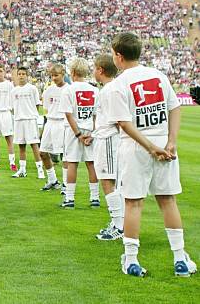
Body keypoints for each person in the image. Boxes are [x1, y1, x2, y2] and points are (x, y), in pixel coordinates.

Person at [108, 32, 196, 277]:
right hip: (162, 144)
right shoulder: (158, 75)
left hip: (136, 147)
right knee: (168, 200)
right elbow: (174, 107)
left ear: (118, 56)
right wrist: (171, 142)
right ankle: (179, 258)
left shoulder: (119, 85)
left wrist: (150, 147)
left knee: (133, 203)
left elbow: (125, 124)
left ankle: (132, 260)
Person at [91, 54, 124, 241]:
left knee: (108, 180)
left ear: (100, 70)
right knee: (108, 180)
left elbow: (117, 120)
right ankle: (117, 222)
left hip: (109, 139)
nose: (94, 72)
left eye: (95, 68)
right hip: (103, 137)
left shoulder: (110, 90)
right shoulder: (108, 89)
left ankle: (119, 226)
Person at [59, 58, 99, 209]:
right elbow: (96, 116)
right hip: (89, 130)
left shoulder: (68, 90)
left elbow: (69, 115)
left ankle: (70, 198)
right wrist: (92, 134)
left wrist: (77, 134)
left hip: (73, 131)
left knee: (72, 163)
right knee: (91, 163)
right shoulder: (95, 90)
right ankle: (94, 198)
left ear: (73, 72)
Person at [39, 64, 69, 191]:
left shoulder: (69, 89)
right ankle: (52, 180)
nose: (54, 78)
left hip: (63, 123)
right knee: (43, 152)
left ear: (63, 74)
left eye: (56, 75)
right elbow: (46, 108)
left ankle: (66, 185)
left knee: (64, 155)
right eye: (52, 75)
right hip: (50, 122)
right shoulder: (48, 90)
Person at [10, 67, 44, 179]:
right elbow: (12, 107)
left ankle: (40, 170)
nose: (21, 76)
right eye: (19, 74)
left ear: (27, 75)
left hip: (30, 120)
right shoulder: (14, 90)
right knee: (21, 146)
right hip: (19, 120)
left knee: (34, 145)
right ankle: (22, 170)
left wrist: (33, 115)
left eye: (23, 74)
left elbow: (37, 104)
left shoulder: (32, 88)